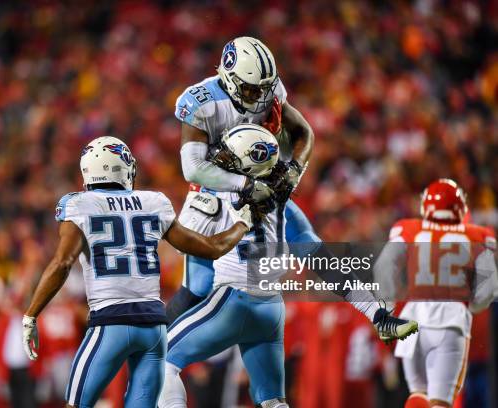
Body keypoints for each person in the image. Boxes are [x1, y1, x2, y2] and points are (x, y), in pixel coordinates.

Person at [168, 36, 417, 341]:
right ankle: (149, 355)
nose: (260, 96)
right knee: (196, 290)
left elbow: (303, 132)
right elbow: (192, 168)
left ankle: (377, 315)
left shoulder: (268, 90)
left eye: (264, 88)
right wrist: (244, 183)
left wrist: (294, 172)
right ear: (229, 77)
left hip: (261, 183)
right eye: (251, 89)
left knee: (310, 246)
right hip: (212, 195)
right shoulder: (201, 101)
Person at [158, 124, 418, 408]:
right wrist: (376, 312)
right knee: (273, 401)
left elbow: (185, 246)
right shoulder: (285, 206)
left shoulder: (214, 196)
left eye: (230, 156)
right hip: (270, 309)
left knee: (160, 361)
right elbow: (326, 264)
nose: (222, 161)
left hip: (232, 301)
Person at [21, 136, 255, 408]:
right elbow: (211, 248)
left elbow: (62, 263)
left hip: (110, 322)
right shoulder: (153, 202)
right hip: (154, 327)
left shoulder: (78, 204)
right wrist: (241, 225)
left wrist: (31, 315)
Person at [375, 179, 497, 408]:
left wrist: (387, 304)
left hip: (412, 320)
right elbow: (489, 289)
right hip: (451, 320)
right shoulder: (478, 235)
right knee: (441, 402)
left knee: (418, 396)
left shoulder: (408, 228)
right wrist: (473, 307)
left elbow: (383, 268)